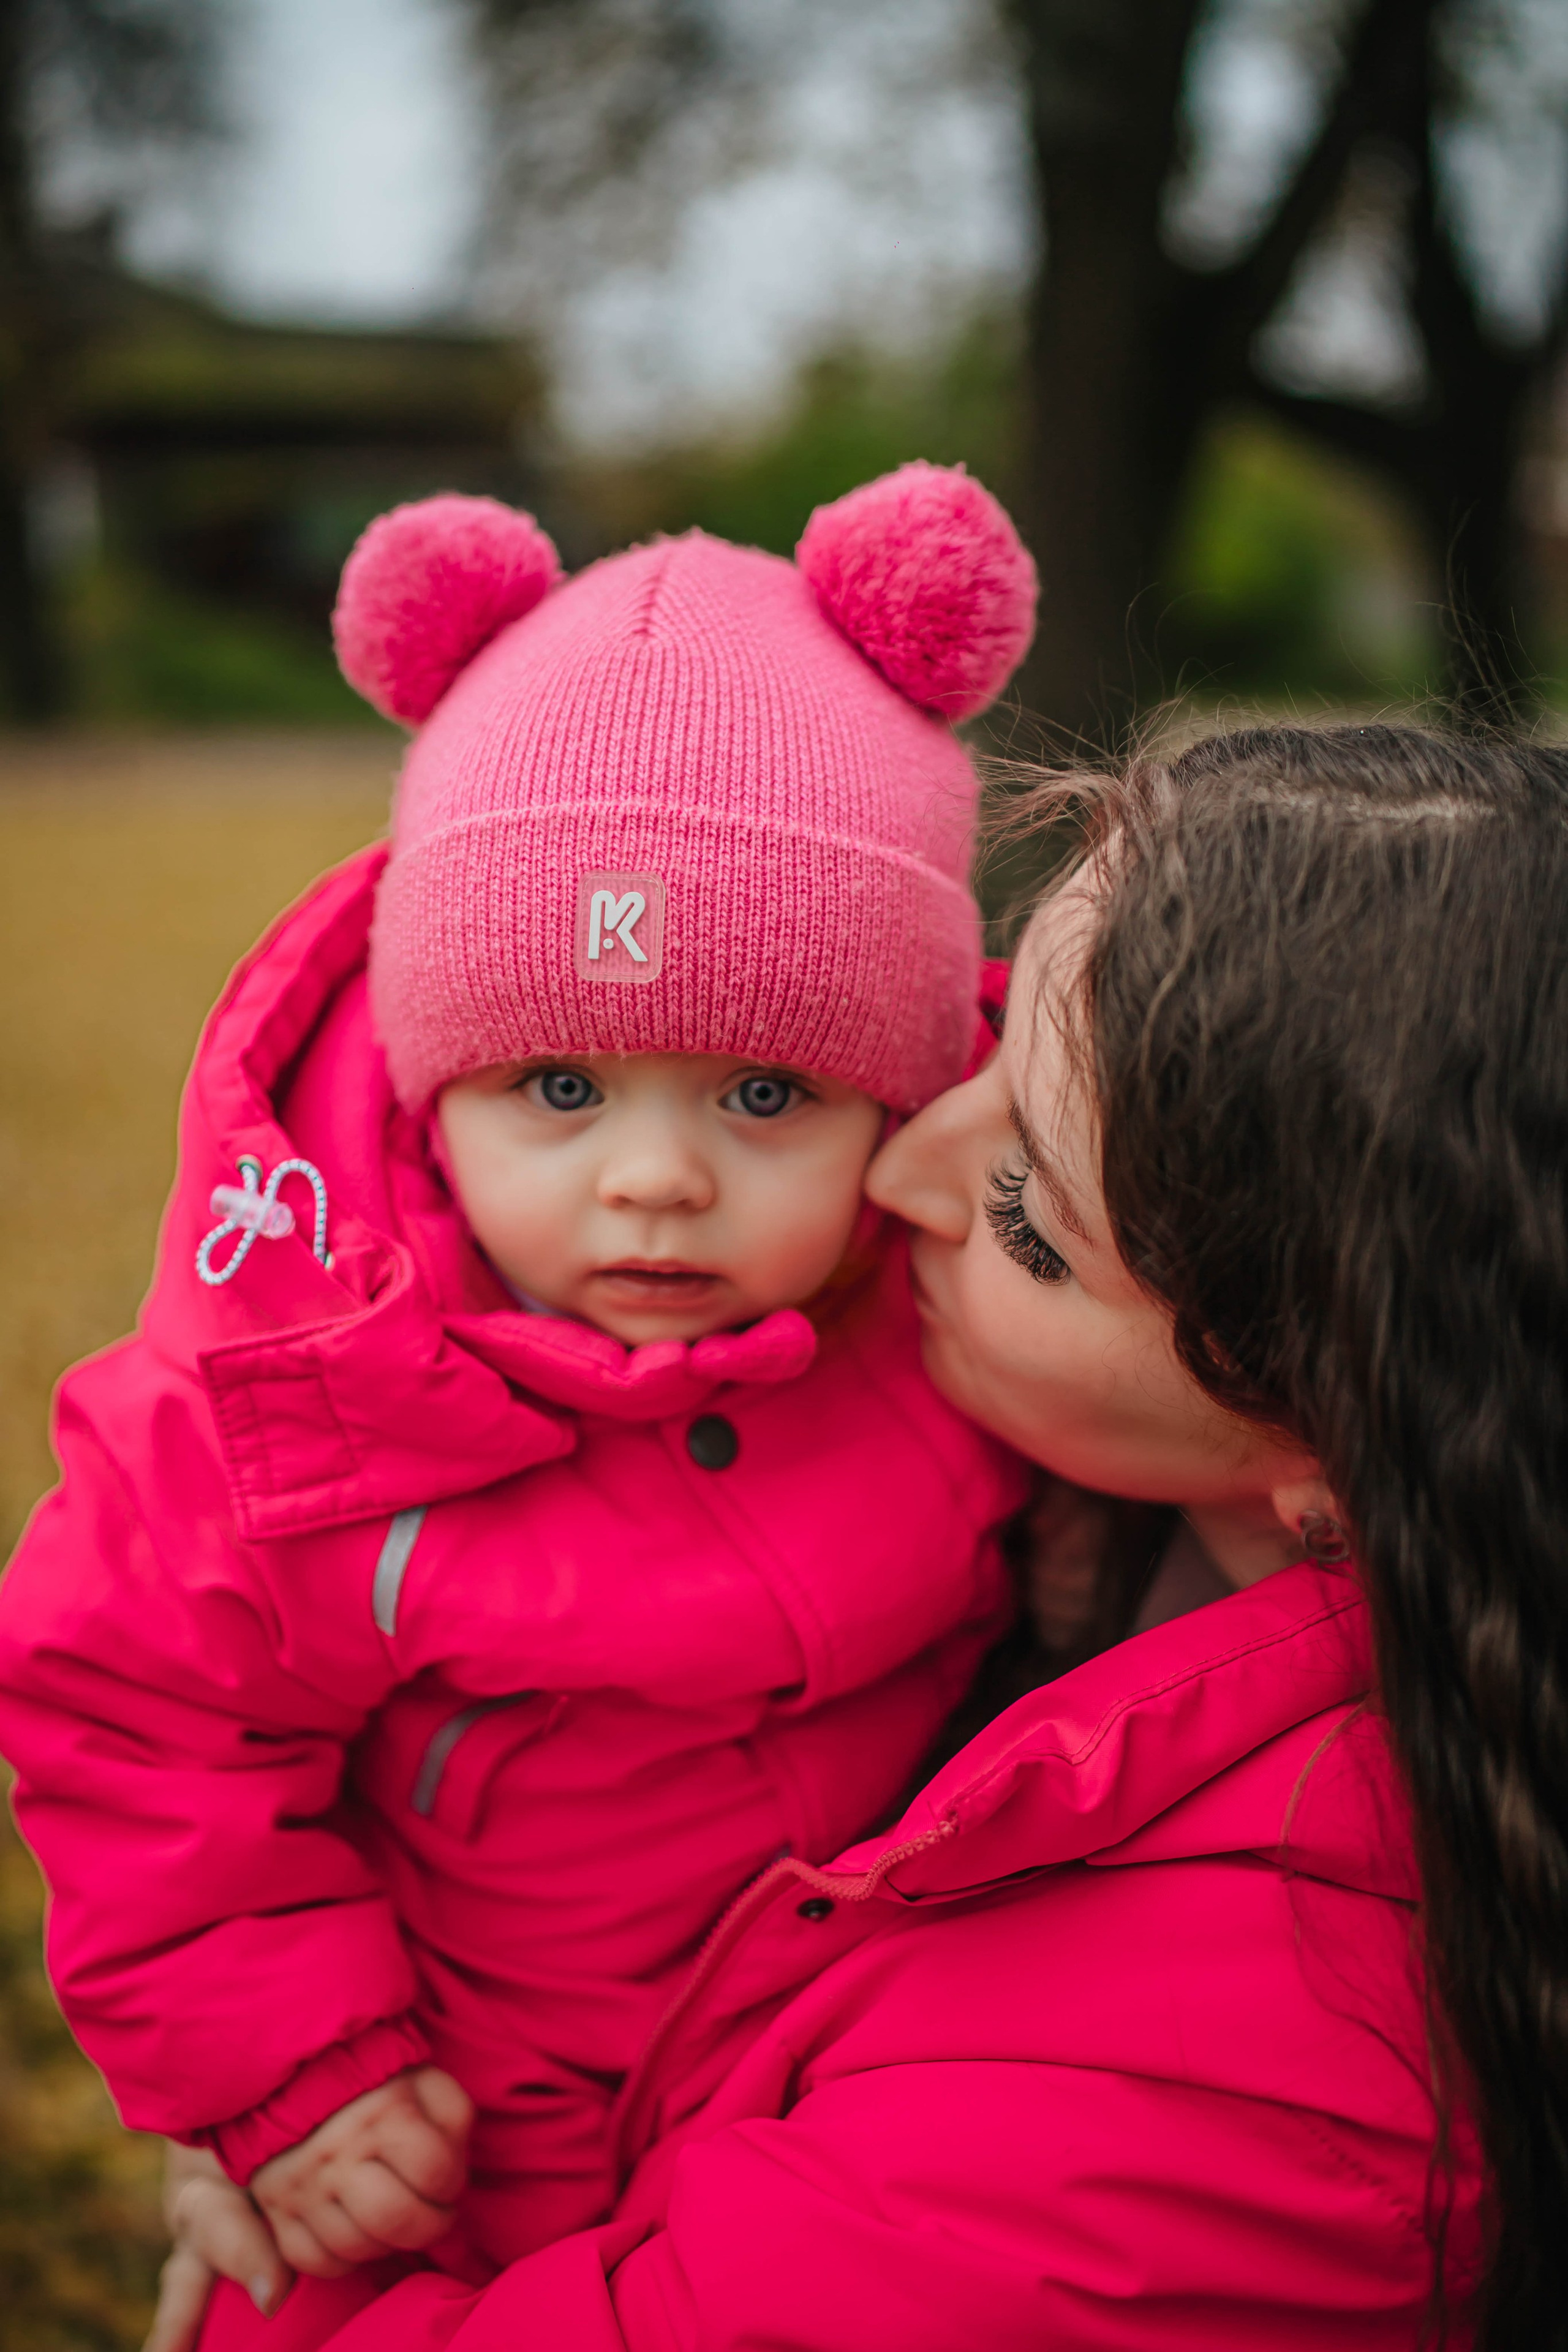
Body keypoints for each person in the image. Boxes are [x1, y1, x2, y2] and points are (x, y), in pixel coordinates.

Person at [154, 719, 1568, 2349]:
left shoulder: (1251, 2085)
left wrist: (308, 2264)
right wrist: (267, 2051)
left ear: (1354, 1435)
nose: (901, 1167)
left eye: (1030, 1212)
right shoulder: (1057, 1467)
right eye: (980, 1055)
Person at [0, 467, 1042, 2337]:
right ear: (429, 1086)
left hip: (842, 2059)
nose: (655, 1180)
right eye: (558, 1088)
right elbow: (134, 1713)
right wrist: (290, 2068)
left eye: (764, 1095)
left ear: (901, 1092)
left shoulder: (971, 1297)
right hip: (453, 2104)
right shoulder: (299, 1393)